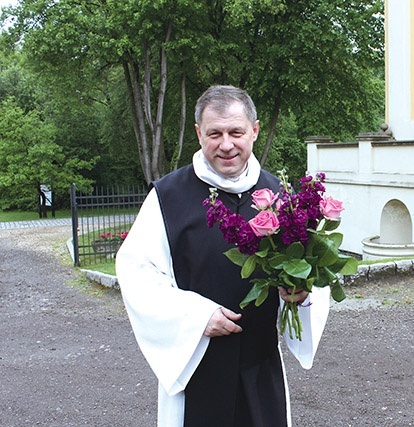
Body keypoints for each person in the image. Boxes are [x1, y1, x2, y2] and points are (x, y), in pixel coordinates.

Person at [116, 85, 330, 427]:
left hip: (261, 367)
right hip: (198, 363)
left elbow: (312, 274)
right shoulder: (167, 198)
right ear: (199, 134)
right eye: (215, 133)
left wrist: (301, 294)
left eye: (236, 132)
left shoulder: (281, 197)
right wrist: (196, 316)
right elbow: (137, 273)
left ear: (255, 131)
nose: (226, 144)